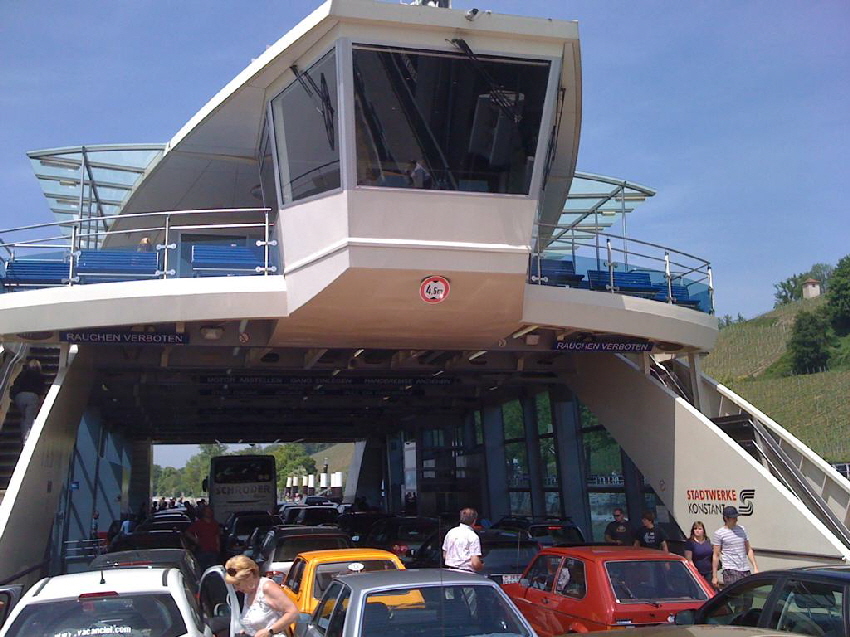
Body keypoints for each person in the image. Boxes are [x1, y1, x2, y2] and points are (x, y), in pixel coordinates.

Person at [225, 555, 299, 637]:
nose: (236, 588)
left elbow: (293, 613)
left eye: (238, 584)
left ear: (249, 576)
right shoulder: (248, 592)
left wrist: (270, 631)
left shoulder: (267, 587)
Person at [712, 506, 758, 589]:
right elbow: (716, 555)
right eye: (733, 518)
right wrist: (715, 576)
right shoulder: (719, 533)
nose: (736, 519)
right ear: (726, 518)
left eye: (736, 517)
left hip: (745, 569)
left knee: (748, 598)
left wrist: (755, 567)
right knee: (736, 599)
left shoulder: (742, 529)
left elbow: (748, 549)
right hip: (730, 569)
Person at [12, 359, 45, 443]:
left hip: (19, 397)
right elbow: (41, 393)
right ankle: (27, 441)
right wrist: (40, 404)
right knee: (29, 420)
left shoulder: (22, 373)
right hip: (32, 397)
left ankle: (23, 437)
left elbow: (15, 384)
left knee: (24, 417)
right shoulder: (40, 376)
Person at [442, 507, 483, 572]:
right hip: (466, 573)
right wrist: (481, 566)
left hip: (450, 572)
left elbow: (445, 554)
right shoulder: (473, 536)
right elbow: (475, 563)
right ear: (474, 521)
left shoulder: (451, 532)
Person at [186, 506, 221, 570]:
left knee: (213, 569)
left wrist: (218, 547)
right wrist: (195, 539)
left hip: (213, 550)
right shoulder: (198, 523)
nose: (208, 513)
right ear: (203, 513)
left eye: (210, 511)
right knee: (201, 569)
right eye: (207, 511)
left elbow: (217, 536)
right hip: (202, 550)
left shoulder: (214, 524)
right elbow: (188, 533)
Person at [684, 520, 713, 586]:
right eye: (695, 529)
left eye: (700, 529)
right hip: (697, 572)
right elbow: (689, 559)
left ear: (703, 531)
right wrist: (694, 571)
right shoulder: (690, 542)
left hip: (709, 572)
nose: (697, 530)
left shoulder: (707, 541)